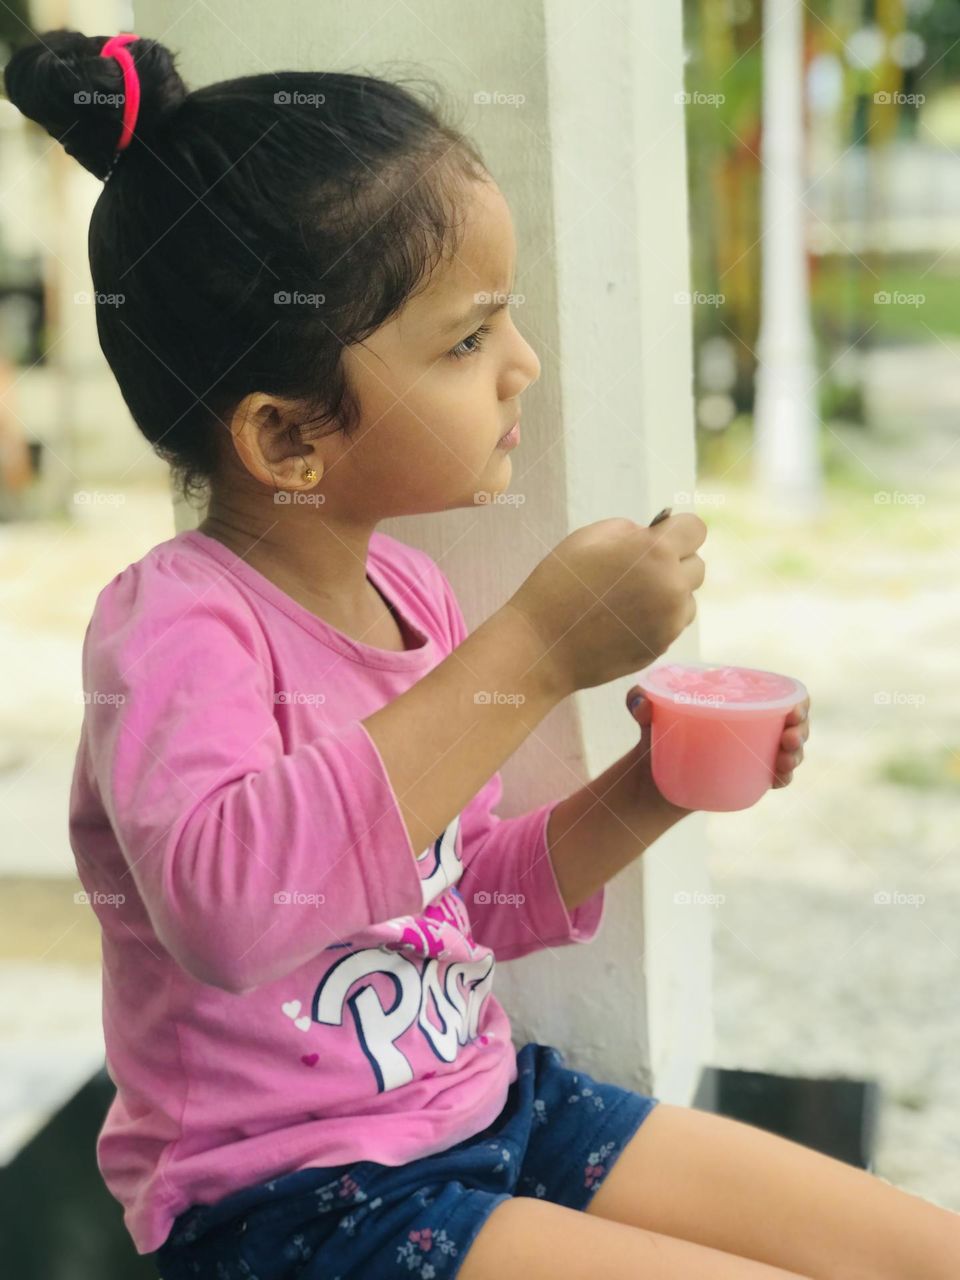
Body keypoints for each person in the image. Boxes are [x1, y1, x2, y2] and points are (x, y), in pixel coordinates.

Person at [4, 27, 955, 1280]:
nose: (525, 365)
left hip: (491, 1104)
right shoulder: (179, 623)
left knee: (920, 1249)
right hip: (289, 1206)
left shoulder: (410, 594)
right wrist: (540, 647)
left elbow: (467, 898)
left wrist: (650, 785)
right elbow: (227, 911)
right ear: (289, 437)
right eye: (466, 341)